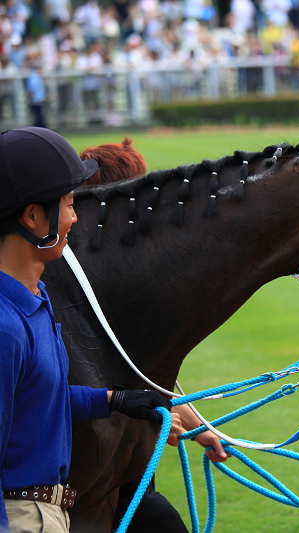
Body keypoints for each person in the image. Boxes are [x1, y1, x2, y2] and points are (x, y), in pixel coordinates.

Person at [0, 127, 173, 533]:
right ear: (32, 217)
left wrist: (116, 399)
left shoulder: (37, 296)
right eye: (67, 204)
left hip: (47, 513)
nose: (75, 217)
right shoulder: (5, 327)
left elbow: (42, 400)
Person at [77, 137, 230, 532]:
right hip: (85, 477)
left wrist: (192, 421)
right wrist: (148, 415)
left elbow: (142, 372)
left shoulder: (115, 281)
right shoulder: (71, 290)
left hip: (119, 470)